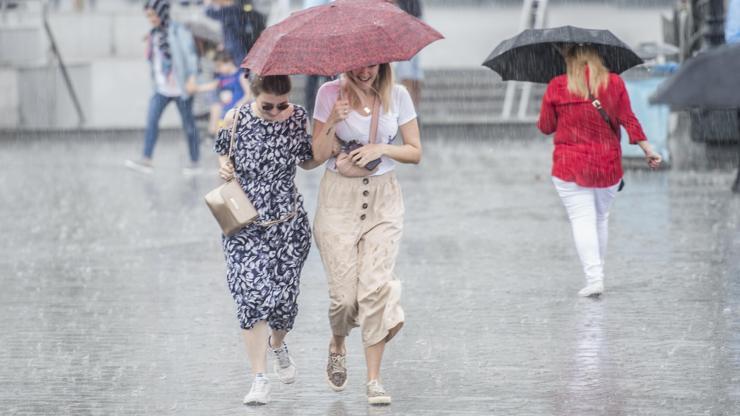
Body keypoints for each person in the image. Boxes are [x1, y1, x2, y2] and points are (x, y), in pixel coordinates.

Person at [311, 63, 421, 405]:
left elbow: (415, 152)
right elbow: (314, 157)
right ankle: (338, 342)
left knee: (374, 289)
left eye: (372, 65)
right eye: (357, 65)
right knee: (344, 298)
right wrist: (332, 120)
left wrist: (382, 149)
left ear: (383, 63)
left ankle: (374, 380)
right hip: (338, 200)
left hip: (383, 200)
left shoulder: (398, 95)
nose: (364, 71)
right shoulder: (328, 93)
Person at [215, 74, 320, 406]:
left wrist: (330, 125)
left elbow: (308, 160)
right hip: (244, 224)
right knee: (253, 296)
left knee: (284, 306)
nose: (276, 111)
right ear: (253, 94)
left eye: (282, 104)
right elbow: (222, 152)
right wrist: (224, 168)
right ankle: (259, 378)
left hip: (288, 225)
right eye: (268, 105)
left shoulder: (298, 117)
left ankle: (278, 343)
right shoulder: (236, 118)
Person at [537, 44, 662, 297]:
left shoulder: (557, 85)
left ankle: (594, 278)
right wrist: (648, 149)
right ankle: (597, 272)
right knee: (600, 217)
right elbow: (628, 119)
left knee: (581, 219)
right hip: (606, 165)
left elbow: (546, 127)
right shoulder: (614, 83)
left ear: (568, 60)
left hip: (569, 165)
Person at [125, 0, 201, 175]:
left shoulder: (178, 31)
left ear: (162, 12)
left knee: (189, 125)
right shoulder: (154, 34)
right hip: (161, 89)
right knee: (152, 121)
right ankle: (146, 159)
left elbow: (190, 56)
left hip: (181, 89)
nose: (151, 19)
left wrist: (192, 78)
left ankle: (195, 161)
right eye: (148, 16)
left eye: (153, 15)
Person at [192, 50, 251, 135]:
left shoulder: (240, 75)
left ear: (229, 62)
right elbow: (212, 85)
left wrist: (239, 104)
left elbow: (248, 94)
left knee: (233, 136)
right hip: (225, 112)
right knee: (220, 134)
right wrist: (197, 88)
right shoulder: (222, 78)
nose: (218, 70)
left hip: (236, 113)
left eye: (219, 66)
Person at [203, 0, 266, 67]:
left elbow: (211, 13)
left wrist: (207, 5)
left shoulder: (230, 10)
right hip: (244, 41)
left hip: (237, 44)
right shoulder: (239, 6)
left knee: (243, 64)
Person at [391, 0, 424, 108]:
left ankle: (409, 108)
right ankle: (414, 108)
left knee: (407, 67)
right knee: (413, 67)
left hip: (406, 16)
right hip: (414, 15)